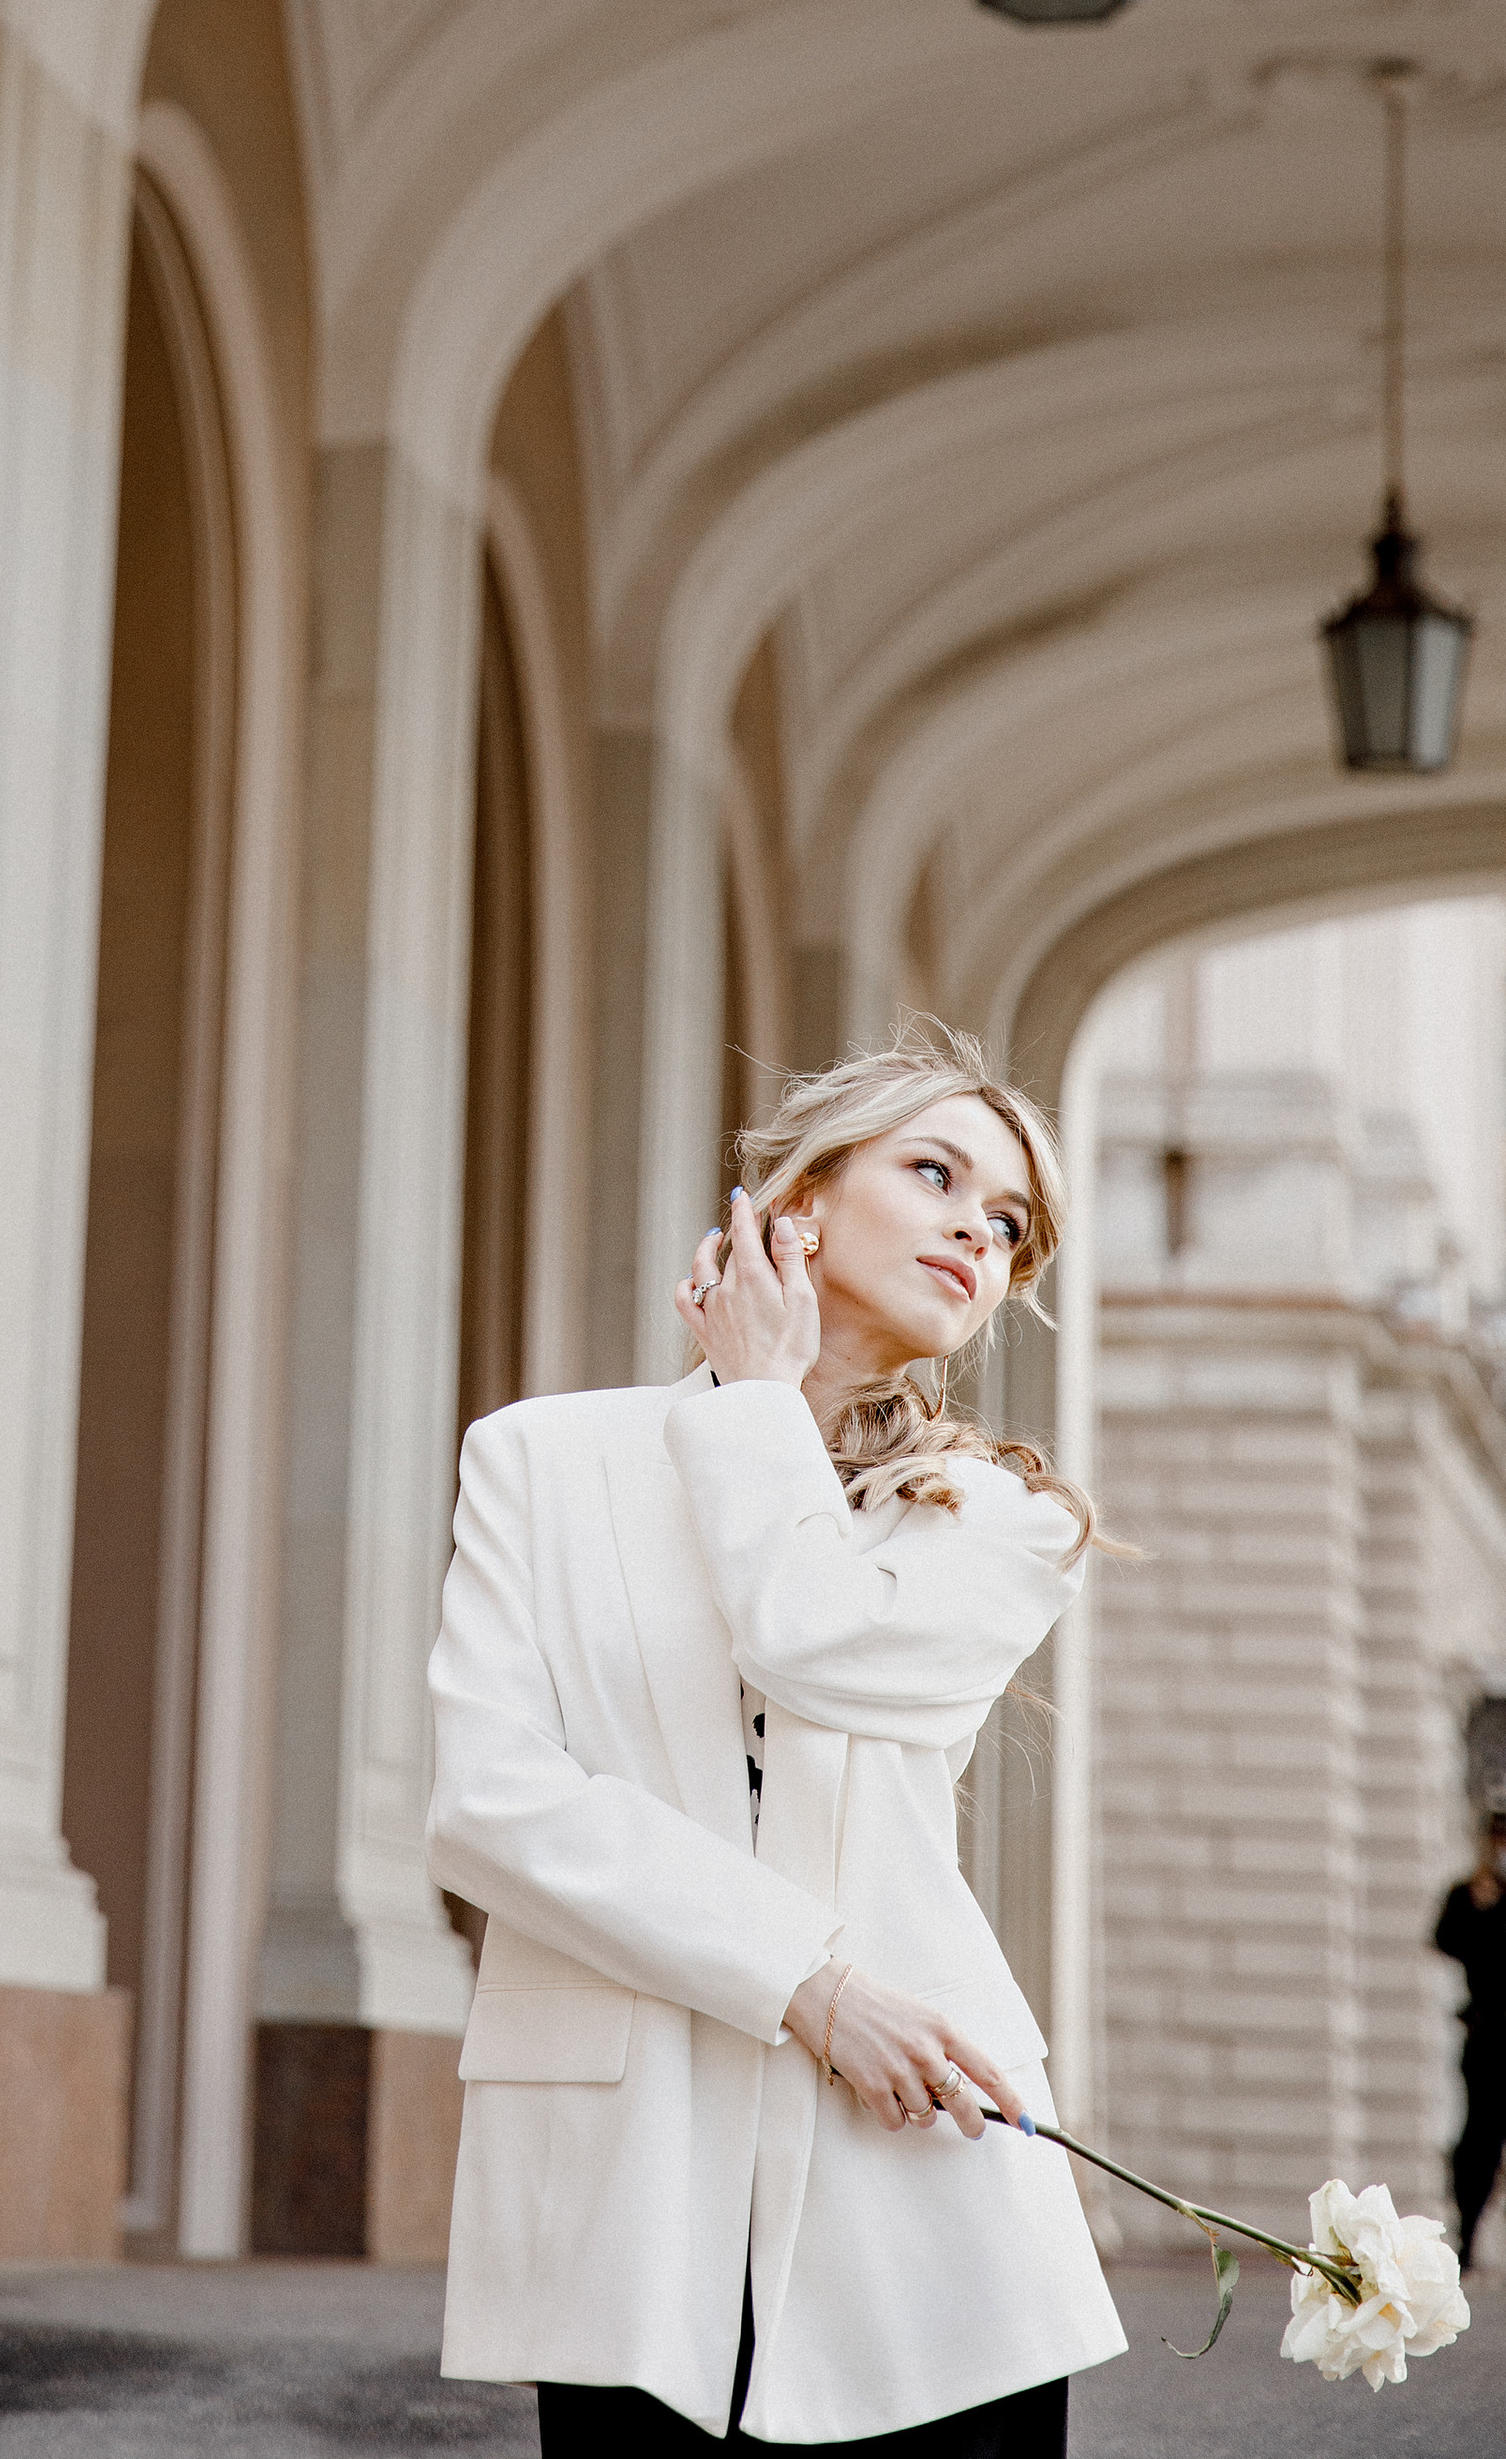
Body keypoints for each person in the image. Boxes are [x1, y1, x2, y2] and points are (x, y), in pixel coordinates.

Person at [428, 1025, 1126, 2452]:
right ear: (798, 1202)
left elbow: (803, 1635)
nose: (975, 1231)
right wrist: (805, 1984)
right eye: (934, 1174)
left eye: (1008, 1225)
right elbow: (491, 1806)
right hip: (630, 2177)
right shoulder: (540, 1461)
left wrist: (755, 1404)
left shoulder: (1003, 1524)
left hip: (920, 2163)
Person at [1433, 1814, 1506, 2267]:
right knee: (1480, 2139)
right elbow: (1445, 1939)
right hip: (1487, 2036)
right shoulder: (1470, 1893)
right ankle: (1469, 2232)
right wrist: (1480, 1909)